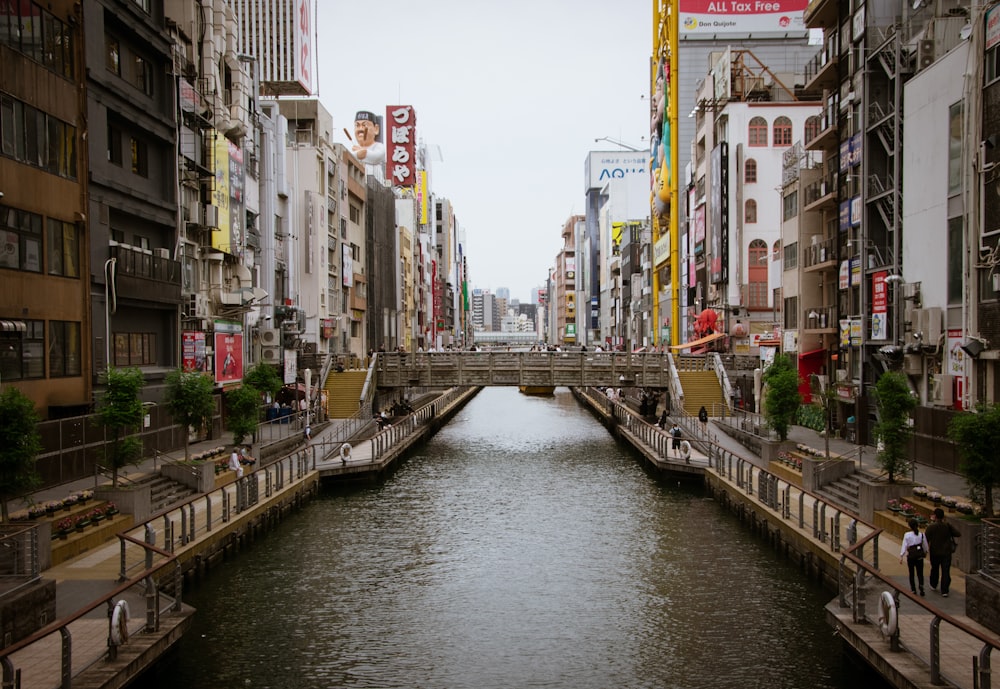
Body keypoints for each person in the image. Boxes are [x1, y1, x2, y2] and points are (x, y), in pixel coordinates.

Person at [925, 507, 960, 597]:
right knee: (946, 571)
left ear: (935, 516)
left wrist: (925, 549)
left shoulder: (931, 527)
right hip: (946, 552)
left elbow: (926, 539)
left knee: (935, 569)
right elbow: (958, 533)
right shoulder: (947, 525)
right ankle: (945, 590)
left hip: (935, 552)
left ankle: (933, 584)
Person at [899, 518, 929, 596]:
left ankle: (913, 589)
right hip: (919, 556)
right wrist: (926, 552)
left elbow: (904, 545)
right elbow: (925, 545)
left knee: (911, 572)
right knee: (920, 572)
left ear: (909, 526)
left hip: (911, 556)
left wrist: (901, 555)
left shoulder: (907, 535)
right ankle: (921, 586)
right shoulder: (922, 535)